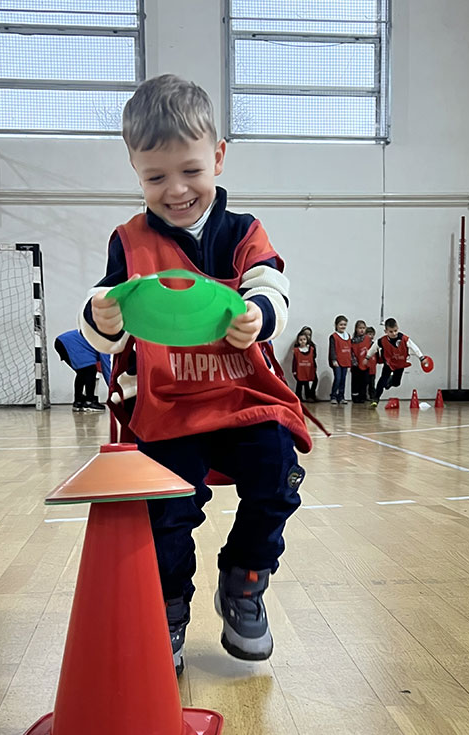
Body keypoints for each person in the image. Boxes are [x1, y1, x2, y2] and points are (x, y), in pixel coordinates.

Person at [78, 74, 311, 676]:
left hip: (241, 397)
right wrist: (103, 318)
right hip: (168, 405)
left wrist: (259, 315)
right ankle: (168, 606)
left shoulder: (242, 231)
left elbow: (272, 286)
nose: (176, 190)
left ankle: (245, 578)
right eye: (155, 177)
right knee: (167, 507)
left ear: (219, 157)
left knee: (279, 472)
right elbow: (107, 319)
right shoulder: (129, 241)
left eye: (190, 170)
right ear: (135, 170)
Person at [368, 317, 426, 408]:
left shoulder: (404, 339)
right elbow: (373, 349)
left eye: (395, 331)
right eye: (391, 331)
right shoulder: (381, 341)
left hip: (400, 364)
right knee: (382, 380)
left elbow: (414, 348)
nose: (394, 333)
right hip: (389, 363)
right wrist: (367, 357)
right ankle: (376, 398)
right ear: (386, 331)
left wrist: (421, 358)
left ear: (398, 328)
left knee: (396, 383)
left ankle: (390, 382)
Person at [54, 329, 110, 411]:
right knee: (90, 370)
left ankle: (78, 401)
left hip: (62, 341)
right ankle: (89, 402)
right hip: (69, 343)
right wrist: (112, 388)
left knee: (82, 372)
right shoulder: (106, 343)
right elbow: (106, 367)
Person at [328, 315, 351, 405]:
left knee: (343, 380)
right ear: (336, 325)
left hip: (345, 361)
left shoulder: (348, 336)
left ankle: (341, 397)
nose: (343, 326)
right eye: (341, 324)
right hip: (337, 362)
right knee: (338, 378)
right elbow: (332, 349)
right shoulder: (333, 336)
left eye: (344, 324)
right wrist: (334, 359)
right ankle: (333, 396)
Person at [295, 326, 318, 400]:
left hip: (310, 366)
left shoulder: (312, 346)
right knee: (303, 382)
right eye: (306, 334)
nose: (308, 336)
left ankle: (311, 394)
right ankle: (303, 396)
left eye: (309, 335)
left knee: (315, 380)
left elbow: (314, 356)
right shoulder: (297, 348)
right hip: (301, 367)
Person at [350, 319, 370, 403]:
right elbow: (351, 352)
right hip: (356, 365)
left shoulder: (368, 339)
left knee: (364, 381)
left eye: (363, 328)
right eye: (360, 328)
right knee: (355, 382)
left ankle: (363, 396)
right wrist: (355, 363)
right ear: (356, 329)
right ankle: (355, 397)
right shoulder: (353, 341)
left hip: (365, 364)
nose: (362, 330)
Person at [364, 326, 378, 400]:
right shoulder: (363, 345)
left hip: (373, 367)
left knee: (372, 383)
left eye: (372, 334)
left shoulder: (375, 345)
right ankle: (364, 396)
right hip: (365, 367)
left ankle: (372, 396)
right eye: (369, 334)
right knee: (365, 383)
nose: (371, 336)